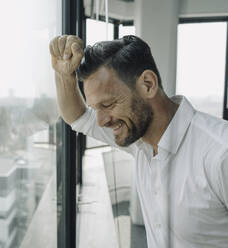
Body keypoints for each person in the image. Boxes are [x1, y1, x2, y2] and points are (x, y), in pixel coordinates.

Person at [49, 34, 228, 248]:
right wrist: (63, 75)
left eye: (108, 104)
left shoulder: (221, 154)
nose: (101, 121)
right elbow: (77, 116)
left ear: (148, 84)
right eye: (96, 108)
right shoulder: (139, 139)